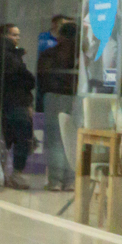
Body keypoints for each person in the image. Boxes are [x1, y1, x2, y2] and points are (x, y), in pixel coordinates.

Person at [0, 23, 36, 190]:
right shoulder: (8, 56)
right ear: (4, 36)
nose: (17, 38)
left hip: (4, 101)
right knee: (22, 137)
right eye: (14, 35)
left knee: (6, 138)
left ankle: (2, 173)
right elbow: (23, 78)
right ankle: (14, 173)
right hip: (15, 101)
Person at [38, 18, 80, 190]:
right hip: (74, 97)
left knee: (55, 139)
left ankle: (55, 181)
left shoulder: (50, 54)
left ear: (60, 36)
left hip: (53, 96)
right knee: (72, 139)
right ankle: (70, 180)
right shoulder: (80, 56)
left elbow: (42, 76)